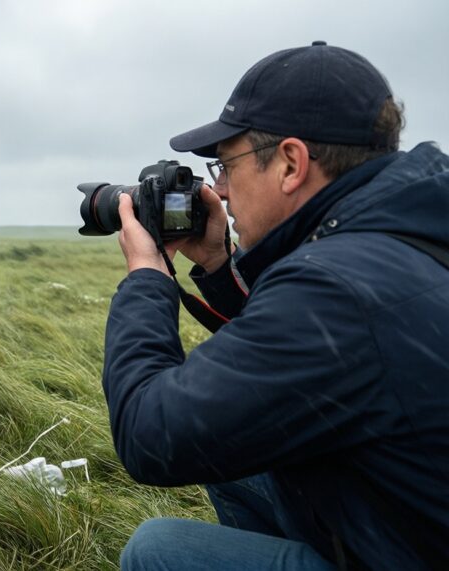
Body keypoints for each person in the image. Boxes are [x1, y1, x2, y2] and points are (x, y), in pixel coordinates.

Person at [103, 42, 449, 569]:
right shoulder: (402, 233)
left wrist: (148, 276)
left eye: (224, 166)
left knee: (160, 551)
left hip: (407, 547)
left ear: (290, 163)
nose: (219, 190)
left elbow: (151, 434)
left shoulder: (338, 285)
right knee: (240, 457)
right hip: (406, 516)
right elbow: (300, 357)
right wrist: (221, 266)